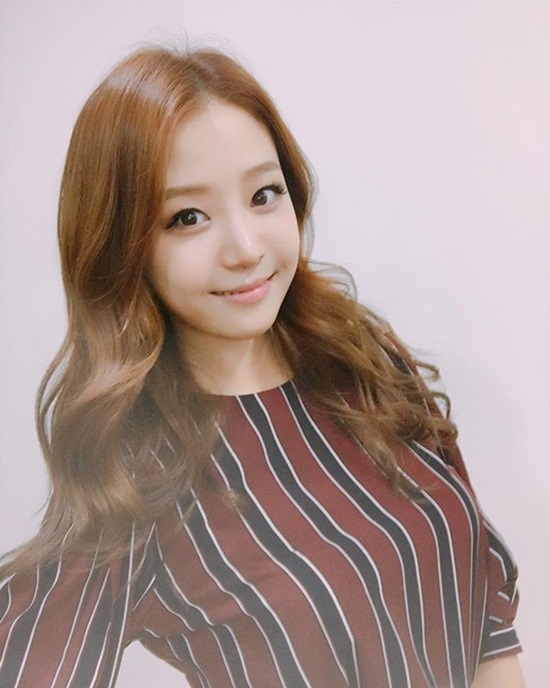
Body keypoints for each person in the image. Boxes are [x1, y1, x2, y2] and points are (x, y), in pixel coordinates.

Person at [0, 45, 525, 688]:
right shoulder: (140, 474)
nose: (245, 249)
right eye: (187, 217)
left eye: (263, 194)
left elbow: (485, 604)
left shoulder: (358, 356)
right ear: (121, 246)